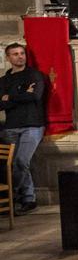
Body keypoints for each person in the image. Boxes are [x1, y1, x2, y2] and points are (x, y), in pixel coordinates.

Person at [0, 42, 46, 215]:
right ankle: (27, 198)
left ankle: (12, 196)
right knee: (12, 165)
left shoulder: (34, 75)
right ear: (8, 58)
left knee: (21, 161)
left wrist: (9, 97)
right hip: (11, 127)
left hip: (31, 125)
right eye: (15, 54)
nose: (20, 57)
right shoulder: (4, 80)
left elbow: (34, 96)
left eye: (22, 53)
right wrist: (22, 94)